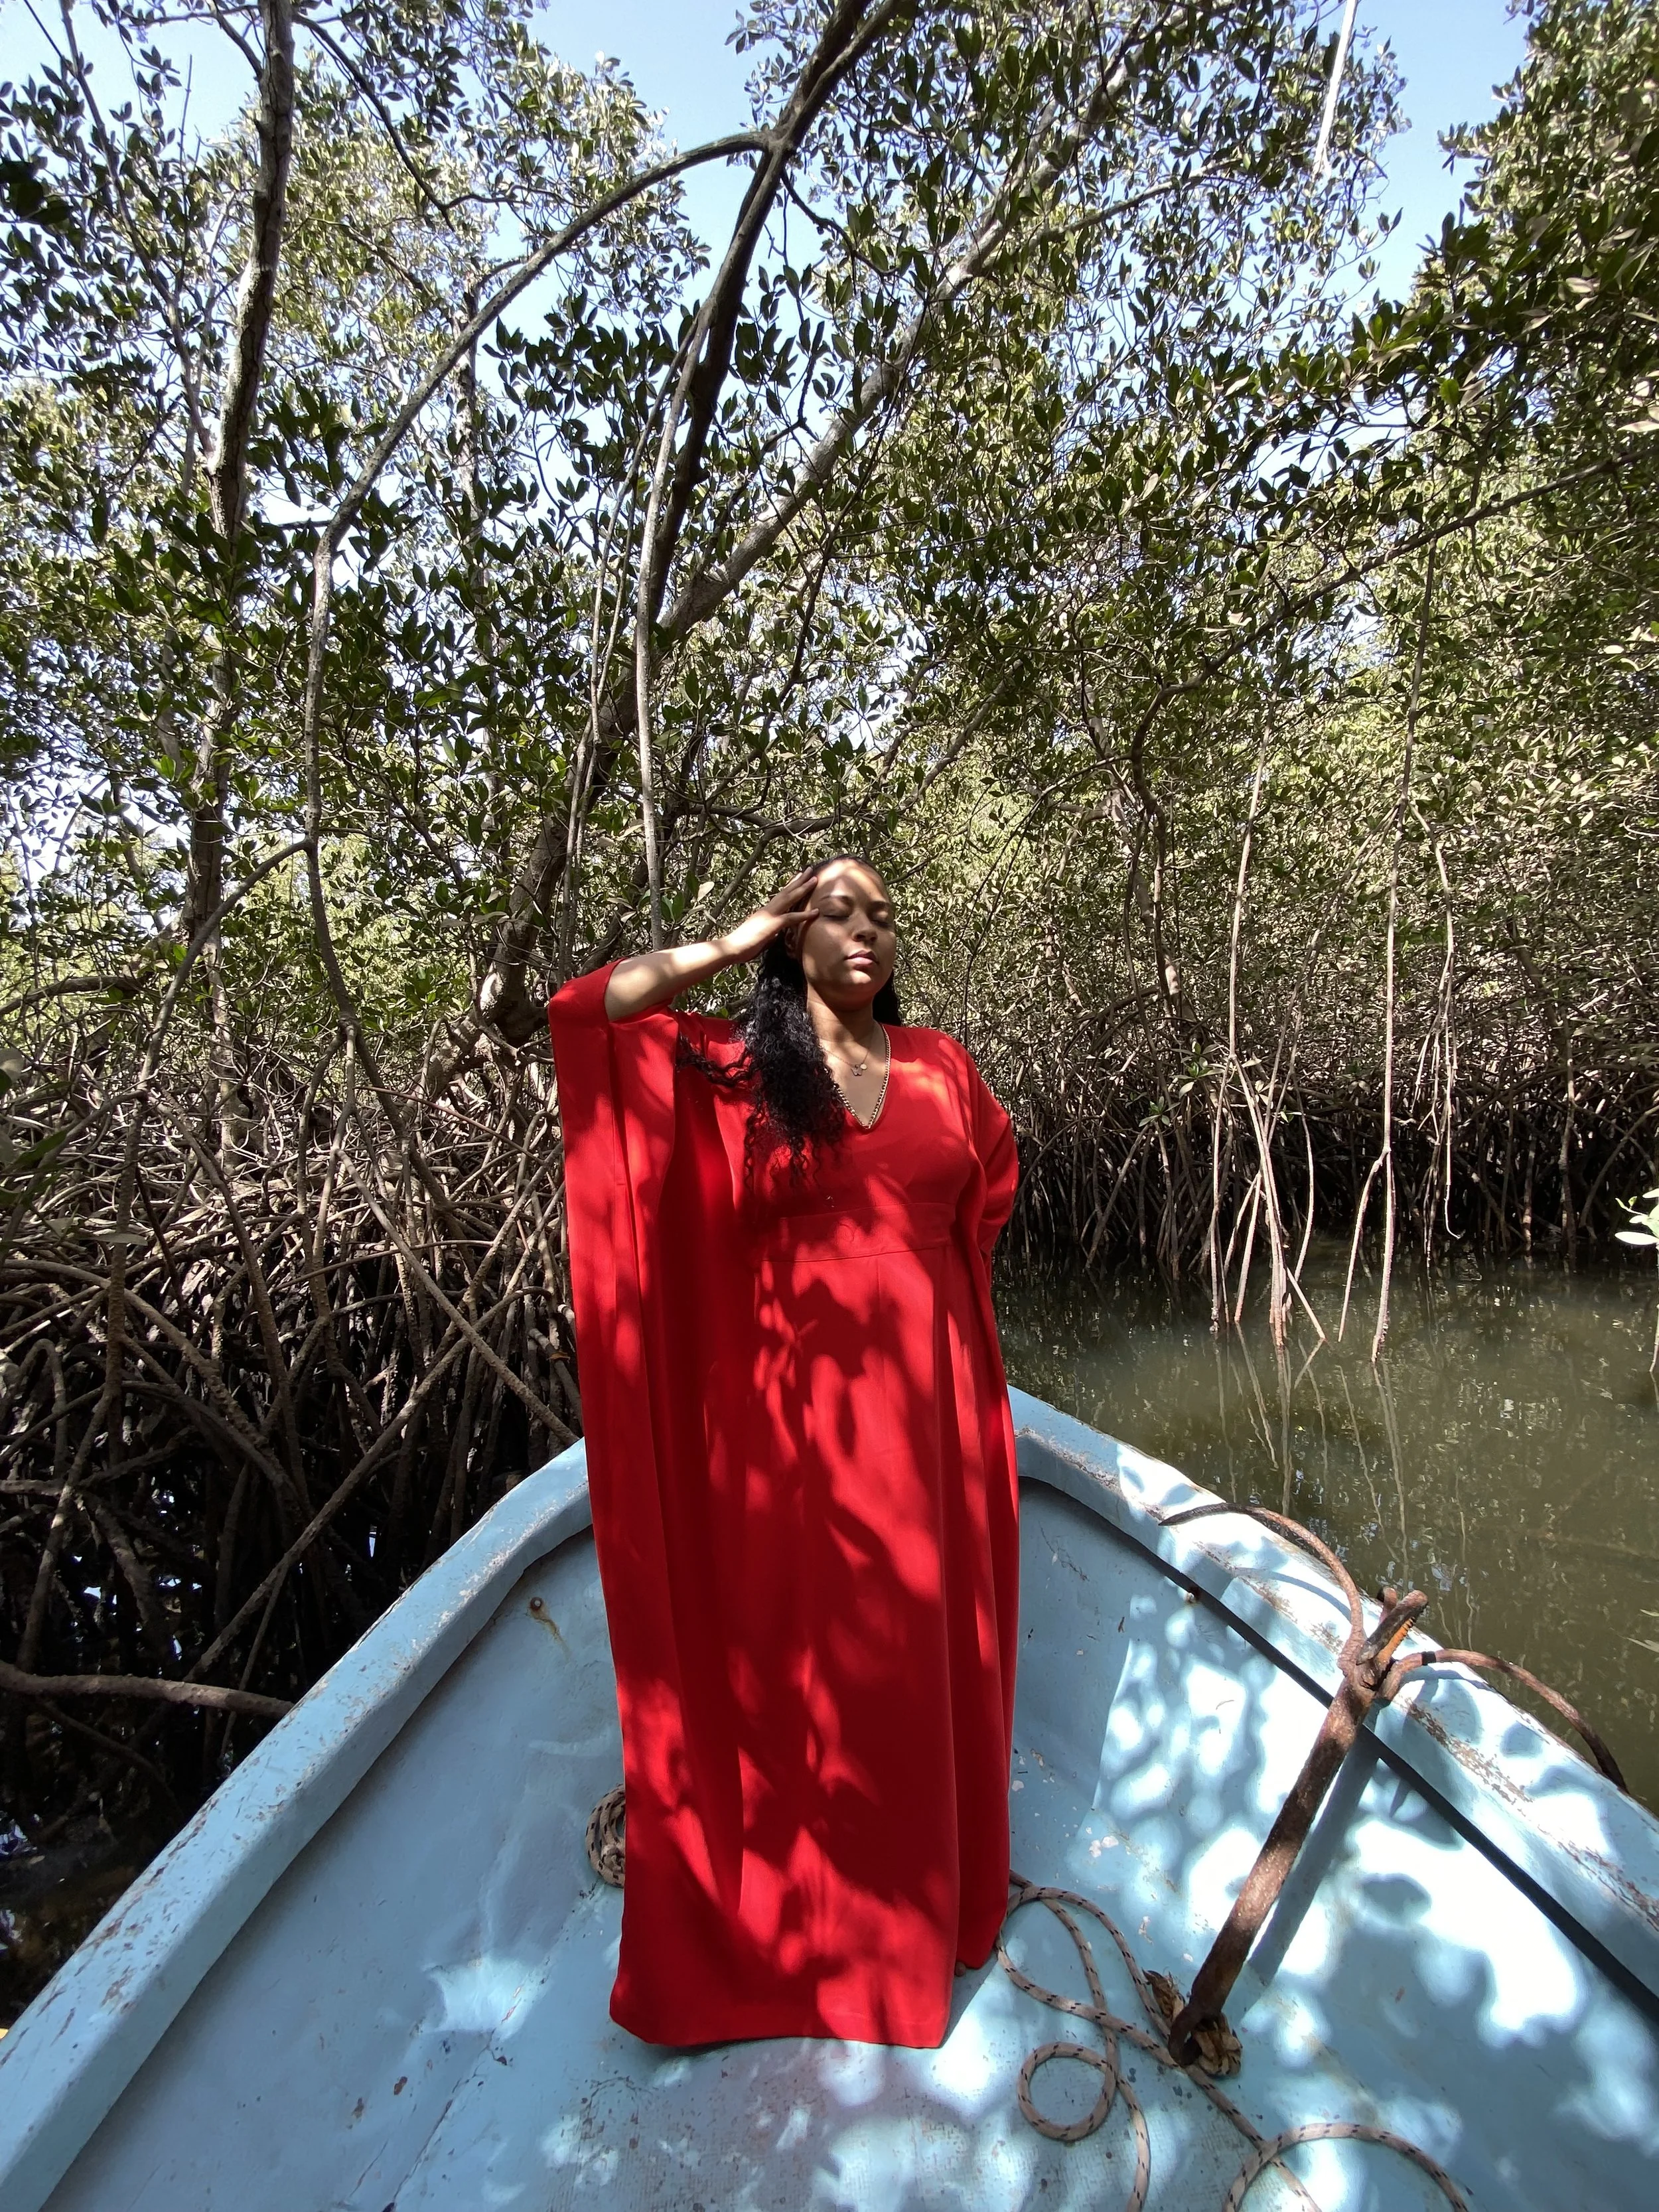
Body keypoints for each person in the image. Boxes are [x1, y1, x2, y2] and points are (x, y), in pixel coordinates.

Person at [547, 856, 1019, 2050]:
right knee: (807, 1668)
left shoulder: (945, 1068)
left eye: (883, 915)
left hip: (933, 1421)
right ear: (795, 935)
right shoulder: (739, 1073)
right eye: (837, 912)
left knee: (916, 1666)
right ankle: (798, 1939)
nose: (867, 932)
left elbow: (986, 1198)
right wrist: (730, 939)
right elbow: (589, 1012)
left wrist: (935, 1333)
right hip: (793, 1430)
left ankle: (914, 1923)